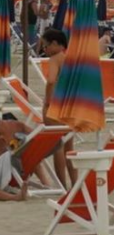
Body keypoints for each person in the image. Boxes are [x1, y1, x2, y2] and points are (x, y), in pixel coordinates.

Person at [40, 27, 76, 190]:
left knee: (57, 145)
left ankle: (62, 185)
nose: (44, 50)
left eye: (46, 46)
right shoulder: (69, 58)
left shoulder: (55, 59)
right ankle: (75, 184)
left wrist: (47, 101)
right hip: (70, 106)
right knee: (69, 147)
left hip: (56, 106)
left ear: (55, 43)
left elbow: (51, 81)